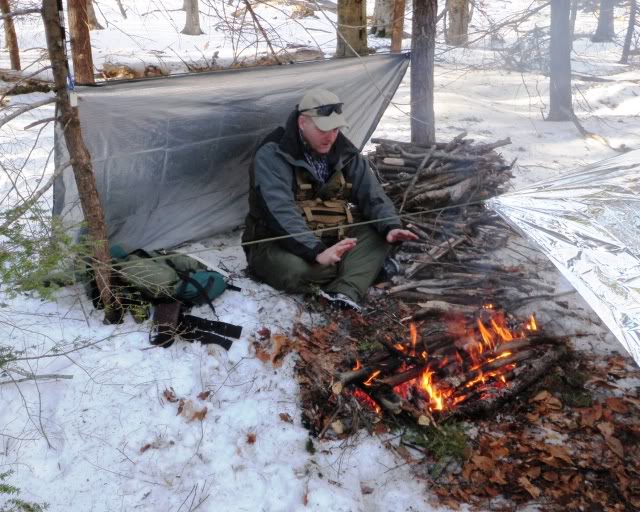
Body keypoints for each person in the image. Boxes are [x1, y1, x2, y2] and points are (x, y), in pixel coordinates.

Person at [242, 88, 417, 309]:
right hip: (276, 241)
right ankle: (358, 269)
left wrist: (390, 226)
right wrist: (316, 252)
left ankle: (343, 293)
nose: (331, 137)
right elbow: (280, 212)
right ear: (302, 122)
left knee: (379, 236)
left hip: (333, 233)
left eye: (336, 129)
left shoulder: (345, 152)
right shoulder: (273, 154)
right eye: (323, 129)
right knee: (300, 271)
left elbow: (372, 196)